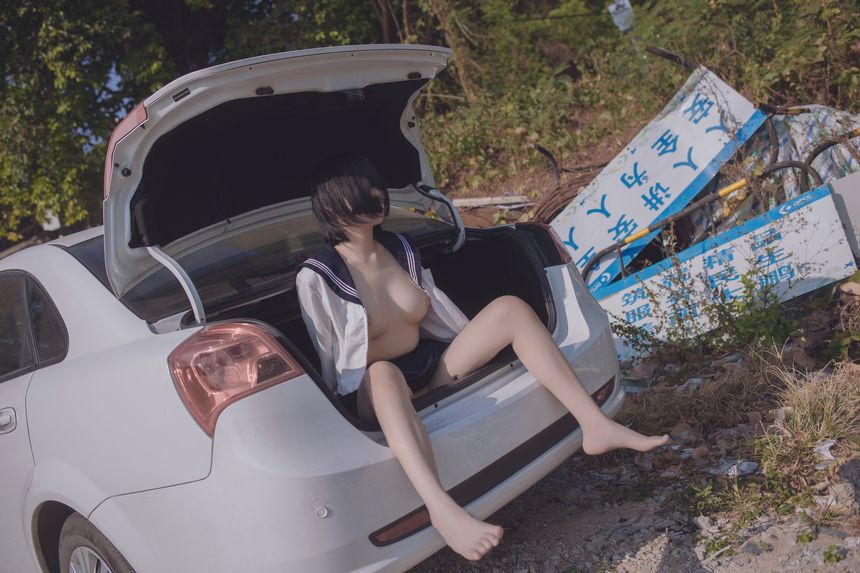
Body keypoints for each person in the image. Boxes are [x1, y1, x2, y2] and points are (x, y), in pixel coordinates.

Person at [295, 153, 670, 562]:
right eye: (361, 190)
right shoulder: (317, 275)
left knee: (510, 309)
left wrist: (467, 345)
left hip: (428, 364)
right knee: (384, 372)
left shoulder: (400, 247)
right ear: (332, 204)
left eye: (375, 186)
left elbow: (435, 314)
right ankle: (442, 511)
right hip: (375, 389)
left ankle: (594, 425)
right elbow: (332, 360)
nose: (376, 195)